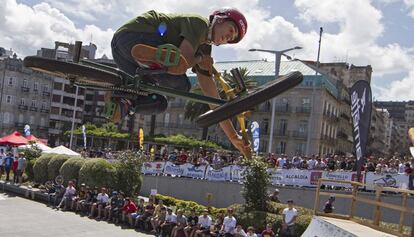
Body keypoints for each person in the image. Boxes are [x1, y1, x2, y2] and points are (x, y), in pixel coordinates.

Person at [111, 8, 251, 157]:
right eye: (231, 30)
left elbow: (212, 99)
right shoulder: (200, 24)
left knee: (159, 103)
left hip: (122, 56)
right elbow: (183, 61)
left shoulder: (204, 49)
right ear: (220, 19)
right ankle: (153, 59)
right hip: (136, 34)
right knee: (181, 84)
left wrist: (234, 137)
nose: (228, 37)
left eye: (231, 38)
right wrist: (200, 60)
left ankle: (125, 102)